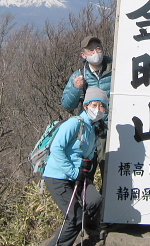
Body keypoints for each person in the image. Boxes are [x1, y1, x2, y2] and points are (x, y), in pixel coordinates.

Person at [44, 87, 108, 246]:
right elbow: (56, 148)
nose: (98, 109)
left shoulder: (94, 129)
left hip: (78, 176)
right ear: (86, 106)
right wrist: (73, 171)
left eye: (102, 106)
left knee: (94, 200)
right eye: (94, 105)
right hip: (58, 177)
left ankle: (91, 230)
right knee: (75, 218)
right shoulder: (75, 123)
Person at [62, 36, 112, 113]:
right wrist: (76, 88)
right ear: (83, 55)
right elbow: (67, 105)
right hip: (89, 122)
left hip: (113, 121)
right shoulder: (79, 75)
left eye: (98, 48)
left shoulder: (115, 70)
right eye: (91, 50)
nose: (95, 52)